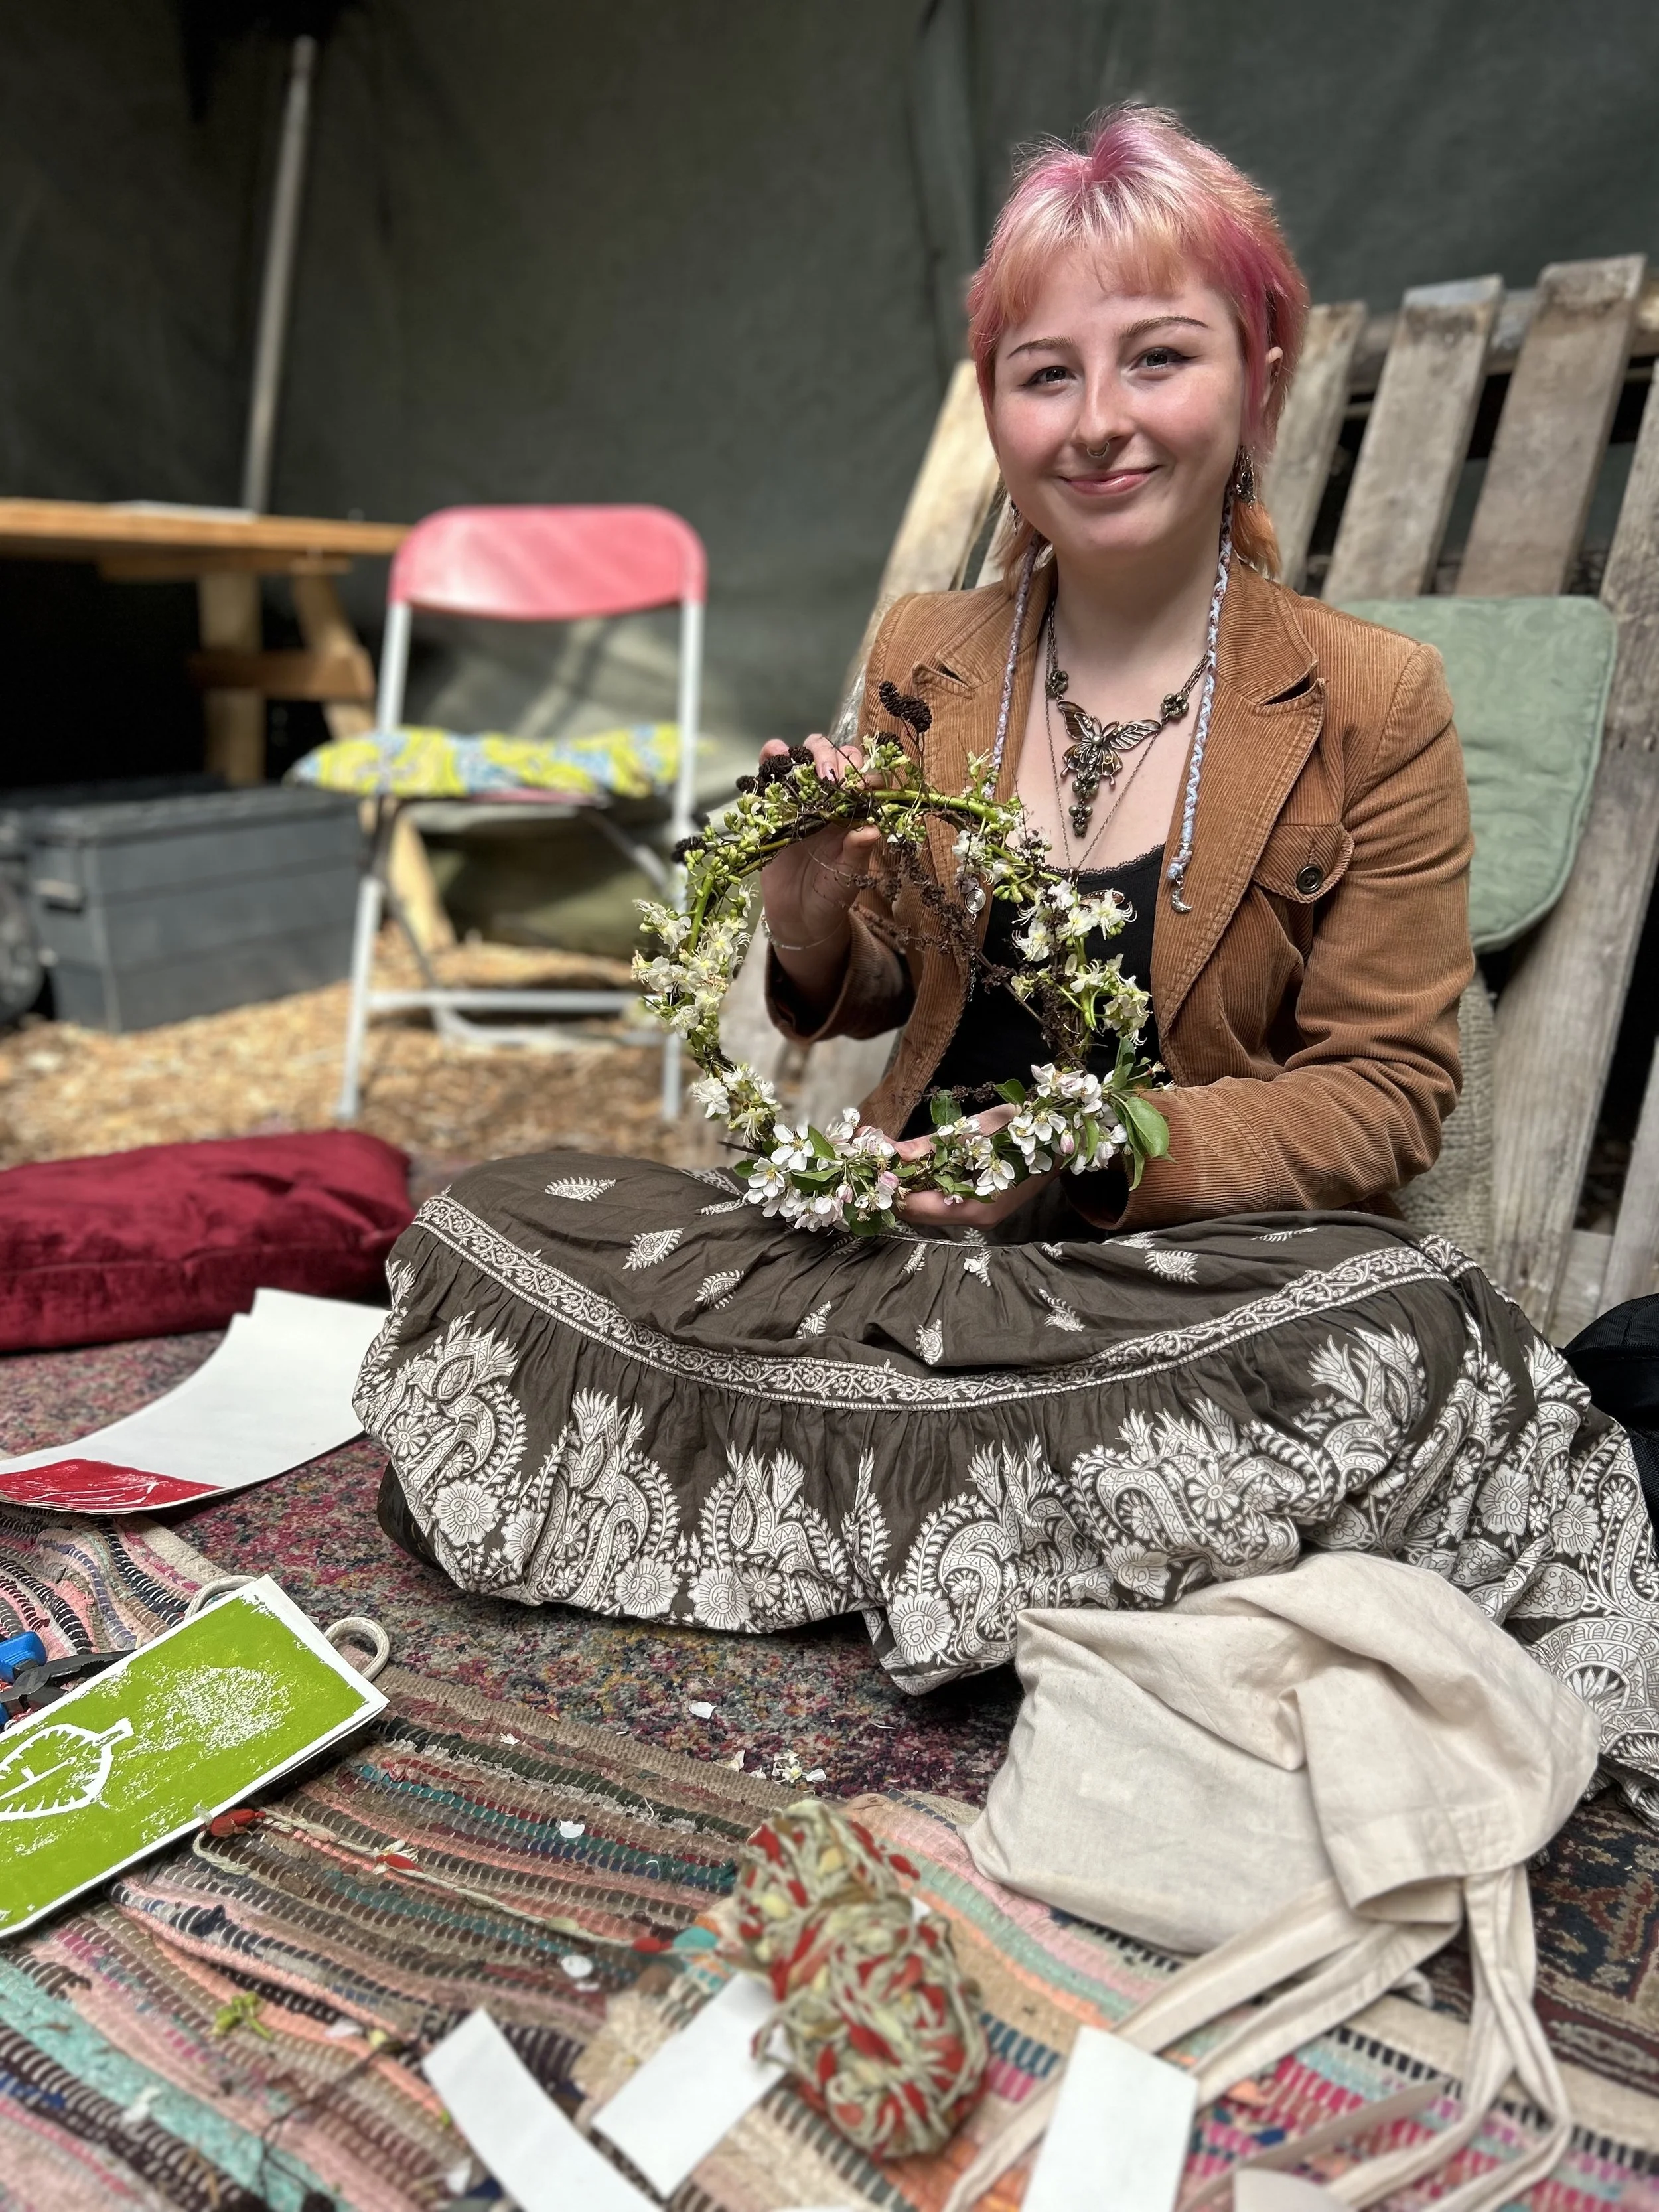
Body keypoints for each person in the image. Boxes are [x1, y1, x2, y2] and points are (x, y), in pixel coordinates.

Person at [362, 107, 1659, 1820]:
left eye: (1158, 358)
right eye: (1045, 375)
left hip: (1164, 1300)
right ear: (997, 410)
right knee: (492, 1221)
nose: (1100, 420)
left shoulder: (1367, 702)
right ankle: (982, 1530)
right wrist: (815, 889)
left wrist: (1101, 1151)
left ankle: (841, 1508)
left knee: (1404, 1336)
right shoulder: (932, 653)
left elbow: (1387, 1096)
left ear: (1256, 381)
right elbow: (874, 983)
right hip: (897, 1269)